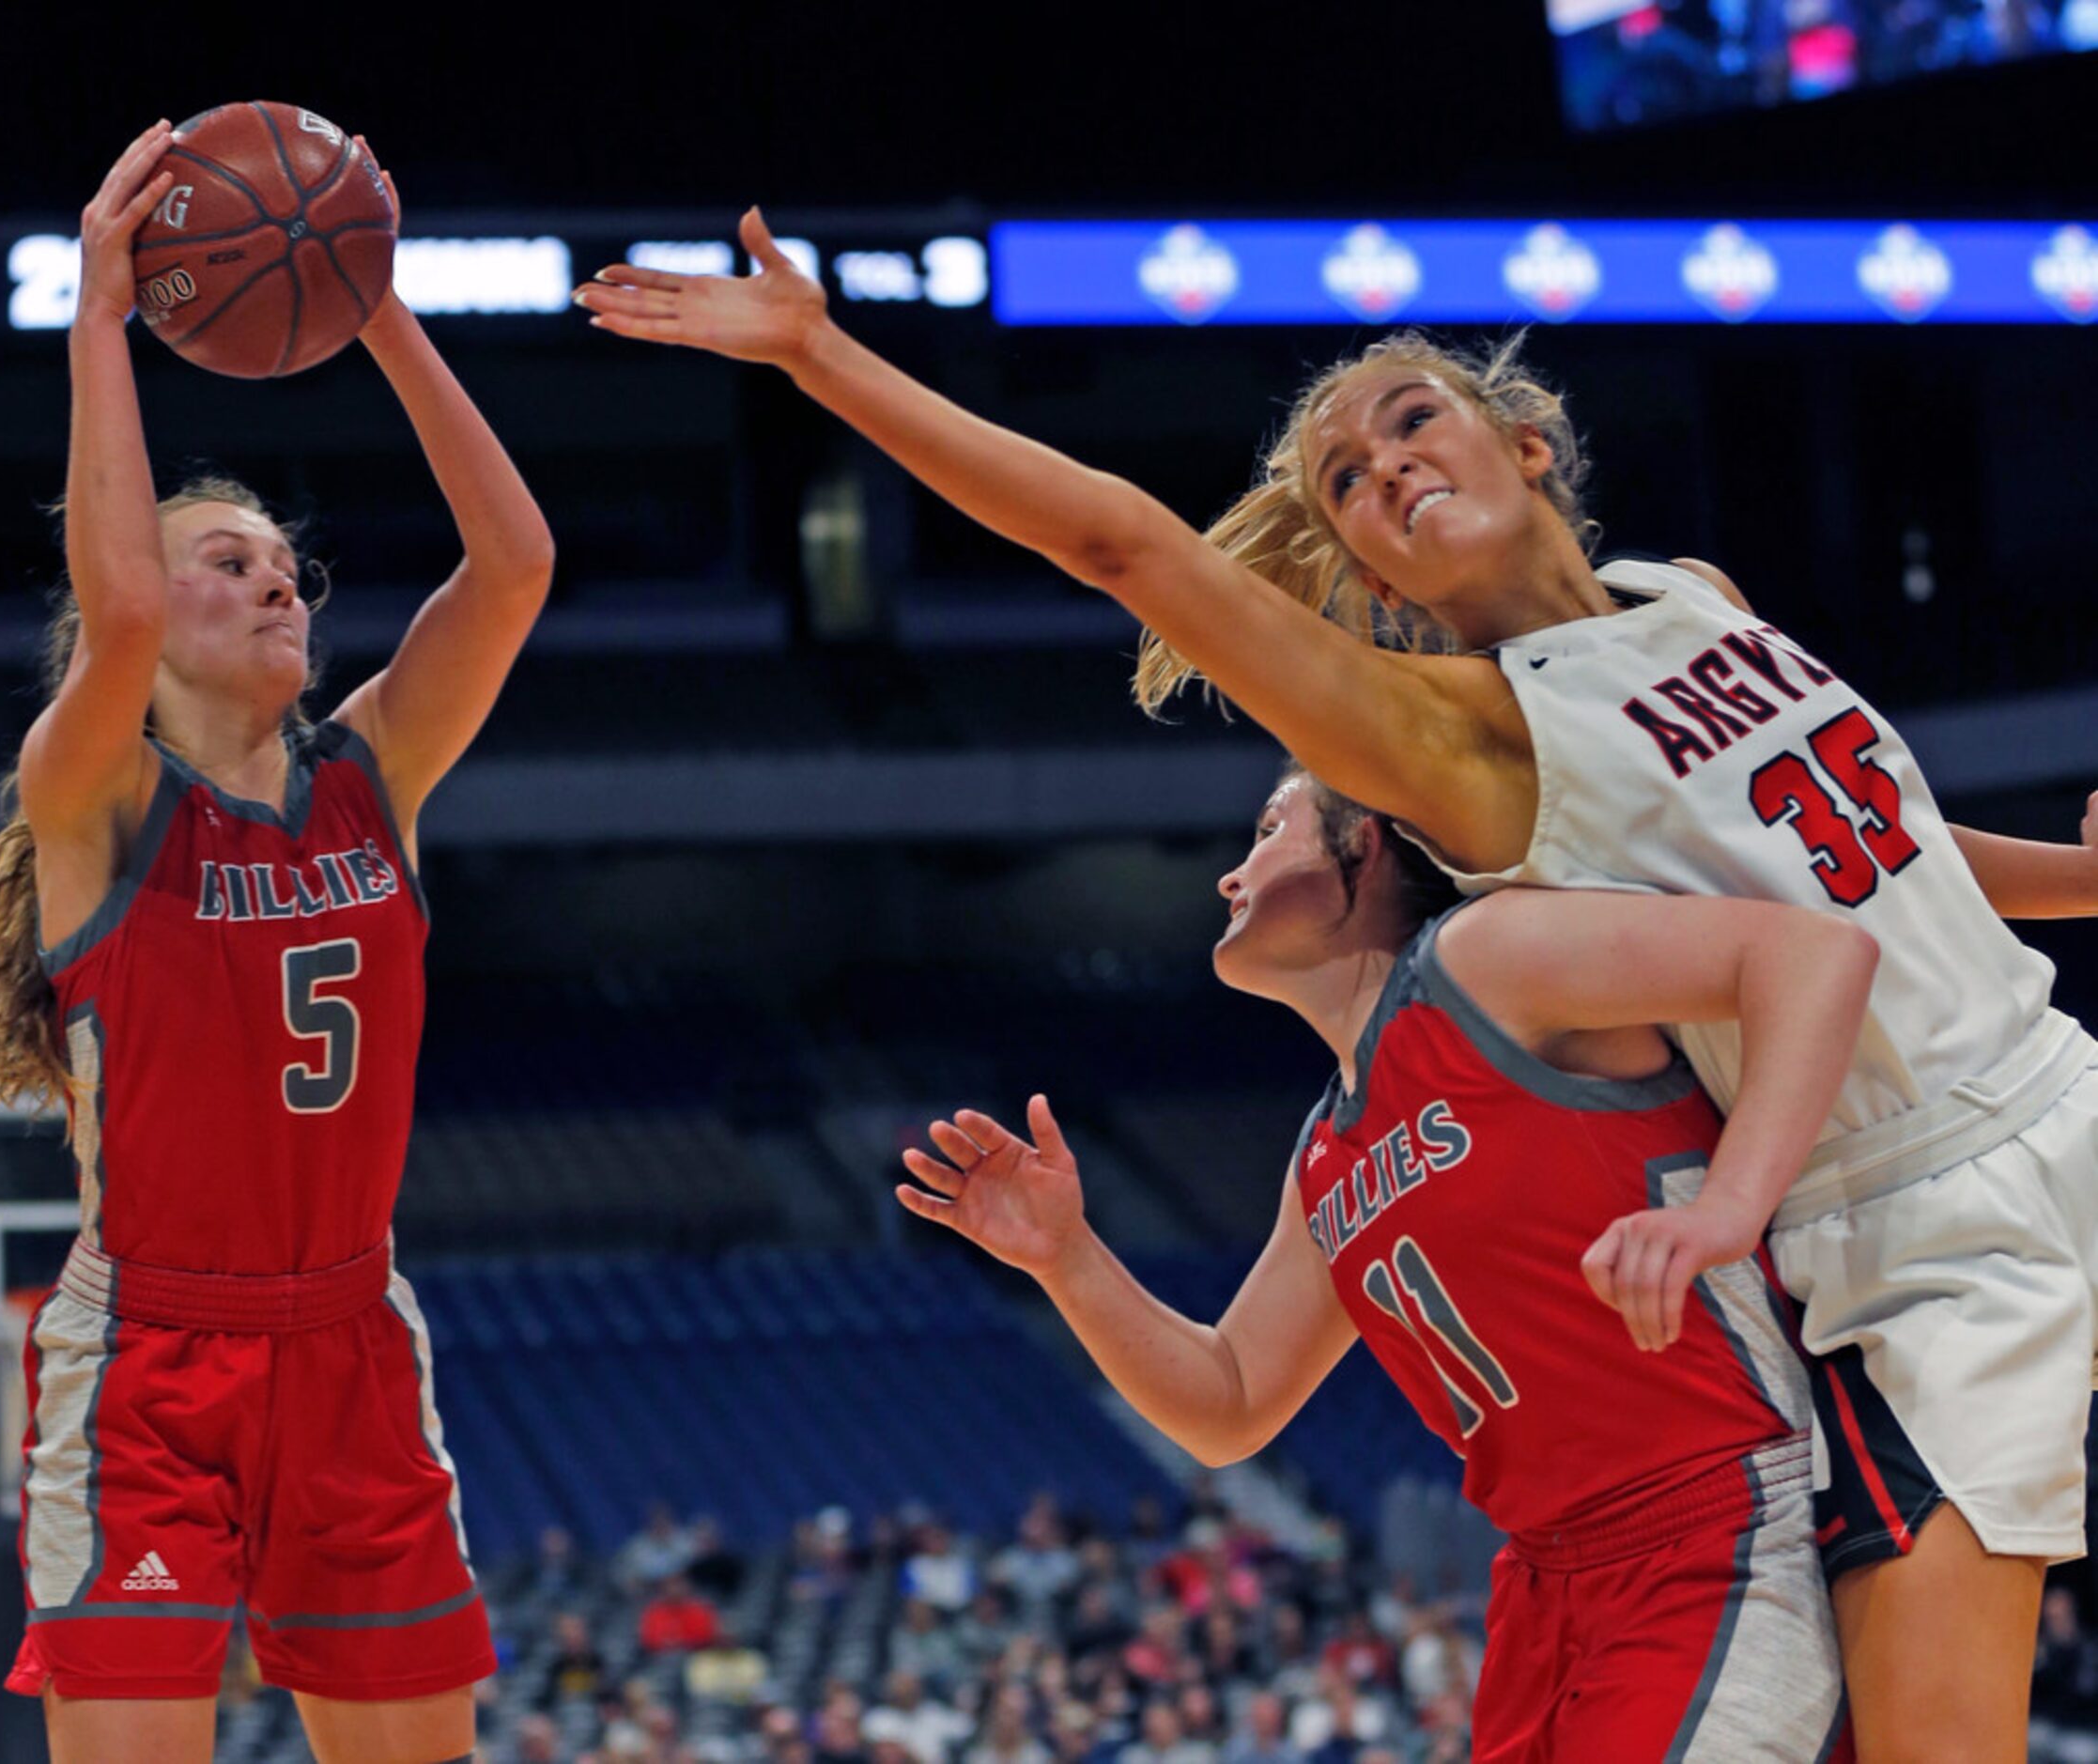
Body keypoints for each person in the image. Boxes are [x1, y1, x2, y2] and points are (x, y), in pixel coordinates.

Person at [576, 225, 2098, 1756]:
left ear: (1524, 437)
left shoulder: (1684, 590)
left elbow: (1857, 847)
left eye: (1407, 420)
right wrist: (818, 356)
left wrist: (2081, 878)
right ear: (1360, 570)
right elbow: (1129, 548)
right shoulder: (1457, 742)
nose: (1380, 471)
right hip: (1903, 1218)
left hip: (2053, 1077)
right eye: (1346, 485)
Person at [889, 764, 1868, 1758]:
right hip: (1543, 1582)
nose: (1231, 876)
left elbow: (1812, 953)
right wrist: (1067, 1258)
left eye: (1270, 830)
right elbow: (1228, 1402)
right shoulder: (1324, 1151)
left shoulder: (1482, 960)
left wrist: (1729, 1207)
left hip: (1715, 1521)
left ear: (1363, 846)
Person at [0, 122, 554, 1764]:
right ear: (131, 626)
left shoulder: (374, 776)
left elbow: (514, 564)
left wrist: (370, 300)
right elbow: (128, 608)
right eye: (230, 563)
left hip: (353, 1332)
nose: (279, 583)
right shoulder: (93, 795)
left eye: (289, 567)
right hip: (149, 1353)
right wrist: (99, 311)